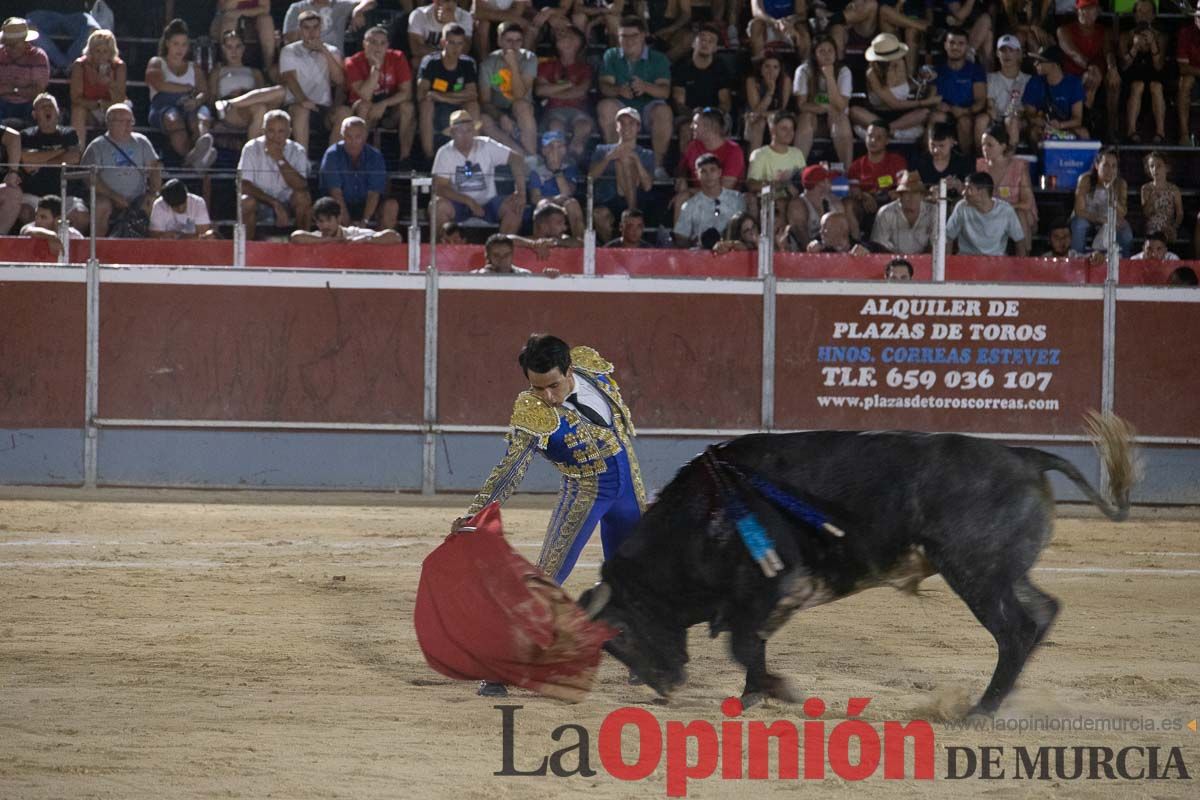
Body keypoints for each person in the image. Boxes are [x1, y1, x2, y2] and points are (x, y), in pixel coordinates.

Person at [457, 333, 645, 697]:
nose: (547, 396)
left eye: (554, 385)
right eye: (537, 387)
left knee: (635, 573)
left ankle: (636, 651)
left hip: (628, 486)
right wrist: (476, 514)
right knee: (548, 576)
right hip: (586, 491)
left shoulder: (591, 366)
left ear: (570, 369)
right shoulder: (531, 410)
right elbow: (511, 468)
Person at [596, 16, 673, 179]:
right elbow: (604, 86)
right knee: (605, 106)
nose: (629, 40)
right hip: (621, 108)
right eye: (624, 36)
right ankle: (616, 160)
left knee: (664, 112)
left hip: (648, 110)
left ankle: (657, 167)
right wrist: (618, 90)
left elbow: (665, 91)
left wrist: (645, 87)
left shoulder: (658, 58)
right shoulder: (611, 55)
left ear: (643, 35)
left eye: (634, 35)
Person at [431, 108, 526, 236]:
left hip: (489, 203)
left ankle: (501, 248)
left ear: (474, 131)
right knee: (437, 206)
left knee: (515, 208)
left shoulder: (486, 145)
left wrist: (521, 192)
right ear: (452, 133)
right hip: (459, 203)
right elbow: (439, 187)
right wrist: (468, 201)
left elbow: (517, 159)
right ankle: (441, 251)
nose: (465, 135)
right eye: (460, 131)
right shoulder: (445, 152)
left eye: (469, 130)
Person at [80, 103, 162, 238]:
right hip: (107, 197)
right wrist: (114, 196)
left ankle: (152, 248)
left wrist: (155, 191)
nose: (129, 125)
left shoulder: (142, 141)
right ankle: (97, 247)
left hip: (137, 197)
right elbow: (90, 178)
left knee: (154, 204)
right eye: (124, 121)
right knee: (101, 205)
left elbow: (154, 168)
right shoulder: (97, 146)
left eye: (131, 121)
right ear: (110, 123)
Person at [278, 10, 352, 153]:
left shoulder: (332, 51)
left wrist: (323, 50)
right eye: (306, 28)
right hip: (296, 104)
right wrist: (303, 100)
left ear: (321, 28)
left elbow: (339, 80)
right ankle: (302, 160)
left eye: (315, 27)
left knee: (345, 112)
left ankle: (330, 161)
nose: (311, 32)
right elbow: (289, 78)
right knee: (303, 110)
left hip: (323, 107)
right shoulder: (289, 50)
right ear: (300, 29)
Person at [145, 19, 215, 170]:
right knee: (173, 119)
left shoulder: (193, 67)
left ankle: (200, 151)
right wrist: (187, 88)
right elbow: (159, 84)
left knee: (200, 117)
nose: (180, 49)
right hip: (163, 107)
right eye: (176, 44)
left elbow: (204, 92)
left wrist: (196, 101)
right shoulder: (156, 62)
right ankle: (190, 158)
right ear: (167, 43)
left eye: (184, 44)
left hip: (189, 105)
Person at [237, 109, 313, 240]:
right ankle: (246, 249)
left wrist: (280, 159)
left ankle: (303, 245)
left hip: (288, 203)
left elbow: (301, 185)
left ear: (289, 132)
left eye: (281, 131)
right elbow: (243, 185)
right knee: (246, 201)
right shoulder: (251, 148)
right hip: (261, 201)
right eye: (271, 131)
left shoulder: (297, 150)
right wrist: (274, 203)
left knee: (303, 198)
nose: (275, 136)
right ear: (263, 131)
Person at [345, 26, 416, 165]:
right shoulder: (352, 62)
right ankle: (358, 158)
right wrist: (376, 68)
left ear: (388, 45)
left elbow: (406, 93)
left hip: (389, 108)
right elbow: (365, 95)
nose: (378, 47)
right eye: (373, 42)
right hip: (364, 111)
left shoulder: (397, 57)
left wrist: (384, 104)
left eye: (383, 43)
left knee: (407, 107)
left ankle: (405, 159)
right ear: (364, 43)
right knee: (364, 105)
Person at [18, 93, 87, 234]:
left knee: (81, 216)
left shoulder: (69, 134)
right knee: (25, 213)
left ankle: (70, 252)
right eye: (42, 107)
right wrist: (61, 152)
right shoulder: (26, 135)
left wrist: (40, 159)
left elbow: (74, 157)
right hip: (34, 196)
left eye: (50, 106)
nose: (47, 109)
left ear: (58, 112)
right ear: (34, 114)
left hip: (65, 195)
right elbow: (27, 161)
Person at [852, 32, 939, 144]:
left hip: (902, 116)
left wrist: (921, 80)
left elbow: (906, 88)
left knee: (925, 113)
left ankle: (883, 131)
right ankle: (891, 131)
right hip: (877, 114)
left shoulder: (901, 64)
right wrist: (924, 102)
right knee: (854, 111)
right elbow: (894, 103)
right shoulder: (872, 73)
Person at [318, 116, 399, 232]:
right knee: (328, 209)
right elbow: (335, 193)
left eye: (358, 137)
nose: (353, 142)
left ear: (365, 137)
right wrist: (349, 225)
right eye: (349, 137)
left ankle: (382, 247)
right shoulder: (332, 155)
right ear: (342, 136)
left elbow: (374, 193)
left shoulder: (374, 156)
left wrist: (364, 222)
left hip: (367, 204)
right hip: (339, 204)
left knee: (391, 206)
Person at [1056, 0, 1118, 139]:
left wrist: (1112, 68)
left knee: (1115, 81)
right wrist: (1091, 66)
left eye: (1090, 9)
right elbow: (1073, 53)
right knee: (1091, 76)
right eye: (1083, 9)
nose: (1086, 12)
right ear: (1077, 10)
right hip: (1073, 75)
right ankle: (1084, 122)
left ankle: (1112, 128)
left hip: (1099, 72)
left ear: (1097, 11)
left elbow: (1109, 52)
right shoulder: (1064, 30)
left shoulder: (1104, 31)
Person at [417, 23, 479, 160]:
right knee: (426, 105)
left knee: (473, 105)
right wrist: (454, 97)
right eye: (451, 43)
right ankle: (429, 156)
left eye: (459, 43)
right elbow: (422, 95)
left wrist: (441, 97)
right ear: (442, 42)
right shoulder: (430, 62)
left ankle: (473, 156)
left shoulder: (467, 64)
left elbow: (472, 94)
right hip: (435, 109)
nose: (456, 48)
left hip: (457, 108)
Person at [672, 106, 745, 222]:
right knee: (682, 199)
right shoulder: (693, 146)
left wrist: (690, 191)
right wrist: (682, 179)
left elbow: (725, 188)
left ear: (709, 127)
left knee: (687, 197)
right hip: (699, 194)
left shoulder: (733, 150)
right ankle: (680, 240)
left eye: (695, 124)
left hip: (725, 199)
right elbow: (681, 168)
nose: (691, 127)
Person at [478, 21, 539, 155]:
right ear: (500, 41)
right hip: (498, 109)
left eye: (518, 41)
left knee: (521, 105)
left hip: (522, 108)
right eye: (509, 40)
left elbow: (520, 95)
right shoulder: (488, 64)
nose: (514, 45)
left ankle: (532, 154)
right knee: (482, 119)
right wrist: (501, 116)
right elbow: (486, 101)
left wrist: (513, 66)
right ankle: (522, 156)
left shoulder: (529, 58)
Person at [671, 23, 735, 149]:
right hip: (688, 116)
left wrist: (709, 118)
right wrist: (697, 117)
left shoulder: (721, 69)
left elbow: (725, 102)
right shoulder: (682, 68)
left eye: (711, 41)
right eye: (702, 39)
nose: (705, 43)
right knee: (686, 129)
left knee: (718, 127)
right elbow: (679, 103)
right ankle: (687, 167)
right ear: (693, 43)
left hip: (715, 115)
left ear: (716, 48)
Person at [535, 24, 593, 163]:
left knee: (584, 125)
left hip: (578, 110)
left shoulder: (585, 68)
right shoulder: (546, 65)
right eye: (562, 37)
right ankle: (557, 159)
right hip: (553, 110)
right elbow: (539, 90)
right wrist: (568, 85)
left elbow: (580, 91)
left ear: (578, 43)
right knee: (555, 125)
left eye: (570, 37)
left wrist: (553, 91)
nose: (566, 40)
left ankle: (574, 151)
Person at [587, 105, 654, 227]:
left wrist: (637, 161)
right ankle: (630, 216)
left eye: (631, 123)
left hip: (638, 200)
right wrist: (608, 158)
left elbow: (648, 186)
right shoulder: (602, 150)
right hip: (607, 199)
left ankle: (632, 212)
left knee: (626, 159)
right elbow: (591, 177)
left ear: (638, 127)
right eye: (622, 123)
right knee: (599, 215)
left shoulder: (646, 154)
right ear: (617, 127)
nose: (626, 127)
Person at [793, 36, 853, 168]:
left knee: (840, 117)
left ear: (836, 53)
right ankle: (797, 170)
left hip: (835, 119)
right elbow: (802, 104)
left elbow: (841, 105)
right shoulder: (803, 70)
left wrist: (830, 77)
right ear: (814, 54)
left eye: (830, 51)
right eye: (822, 51)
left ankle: (848, 171)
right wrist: (824, 107)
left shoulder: (843, 71)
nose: (826, 55)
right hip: (813, 116)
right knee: (806, 118)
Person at [210, 29, 279, 140]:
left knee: (264, 105)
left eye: (238, 46)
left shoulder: (255, 72)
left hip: (252, 107)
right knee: (260, 109)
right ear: (223, 49)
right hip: (229, 111)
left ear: (243, 48)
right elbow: (212, 97)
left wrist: (244, 94)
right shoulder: (218, 72)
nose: (234, 51)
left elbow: (261, 94)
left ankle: (253, 149)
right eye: (229, 47)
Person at [977, 122, 1035, 244]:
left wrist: (1002, 209)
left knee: (1020, 215)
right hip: (988, 213)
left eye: (989, 145)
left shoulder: (1018, 166)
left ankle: (1024, 257)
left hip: (1014, 212)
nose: (985, 149)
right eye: (983, 145)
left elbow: (1027, 203)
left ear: (1003, 146)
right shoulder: (980, 166)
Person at [944, 171, 1027, 256]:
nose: (963, 192)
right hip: (967, 260)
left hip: (996, 262)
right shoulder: (961, 207)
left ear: (982, 192)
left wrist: (1020, 267)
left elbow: (1019, 241)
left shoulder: (1006, 210)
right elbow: (948, 237)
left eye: (969, 189)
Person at [933, 27, 986, 159]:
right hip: (945, 113)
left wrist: (965, 111)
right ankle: (929, 159)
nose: (955, 47)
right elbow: (931, 97)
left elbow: (980, 100)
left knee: (964, 122)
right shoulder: (937, 70)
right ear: (945, 45)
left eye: (960, 43)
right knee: (934, 117)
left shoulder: (975, 70)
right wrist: (938, 105)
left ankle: (967, 162)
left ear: (967, 46)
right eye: (952, 43)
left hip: (968, 113)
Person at [1118, 0, 1166, 144]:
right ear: (1134, 15)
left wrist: (1152, 45)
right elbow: (1123, 66)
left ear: (1153, 16)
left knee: (1156, 86)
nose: (1144, 16)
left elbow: (1159, 66)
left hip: (1154, 77)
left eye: (1147, 12)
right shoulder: (1125, 36)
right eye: (1140, 12)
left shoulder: (1161, 37)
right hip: (1133, 77)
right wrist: (1134, 48)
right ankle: (1131, 130)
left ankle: (1161, 131)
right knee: (1137, 85)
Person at [745, 111, 806, 225]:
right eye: (784, 129)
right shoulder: (759, 154)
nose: (789, 133)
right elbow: (751, 184)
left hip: (794, 201)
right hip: (769, 203)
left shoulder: (797, 153)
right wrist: (781, 184)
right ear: (772, 130)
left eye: (791, 129)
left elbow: (804, 181)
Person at [780, 162, 856, 251]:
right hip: (807, 255)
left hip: (833, 252)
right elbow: (803, 240)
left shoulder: (833, 202)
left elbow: (845, 235)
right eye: (828, 180)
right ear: (821, 183)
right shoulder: (798, 205)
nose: (831, 182)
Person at [674, 152, 745, 248]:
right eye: (703, 171)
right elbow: (681, 237)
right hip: (701, 255)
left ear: (719, 172)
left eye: (712, 170)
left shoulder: (737, 199)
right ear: (697, 175)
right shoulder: (690, 205)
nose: (709, 175)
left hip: (733, 252)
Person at [1069, 147, 1131, 257]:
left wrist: (1112, 196)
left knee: (1126, 232)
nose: (1110, 170)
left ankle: (1124, 263)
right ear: (1097, 165)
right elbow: (1079, 210)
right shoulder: (1085, 180)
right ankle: (1076, 260)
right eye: (1106, 165)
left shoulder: (1120, 184)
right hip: (1087, 217)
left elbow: (1122, 213)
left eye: (1113, 166)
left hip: (1109, 218)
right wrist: (1099, 219)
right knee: (1079, 225)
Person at [68, 28, 126, 145]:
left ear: (111, 52)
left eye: (105, 51)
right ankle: (77, 155)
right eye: (97, 51)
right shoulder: (80, 65)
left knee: (122, 112)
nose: (101, 55)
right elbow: (76, 98)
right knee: (78, 111)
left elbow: (120, 99)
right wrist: (97, 105)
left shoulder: (119, 66)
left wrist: (109, 83)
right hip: (89, 108)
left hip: (110, 108)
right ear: (90, 51)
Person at [1021, 44, 1088, 145]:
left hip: (1065, 127)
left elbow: (1077, 119)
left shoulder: (1073, 83)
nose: (1035, 64)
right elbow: (1029, 113)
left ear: (1055, 64)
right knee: (1033, 132)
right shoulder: (1034, 82)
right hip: (1043, 128)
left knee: (1083, 133)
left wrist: (1060, 125)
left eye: (1040, 61)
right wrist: (1037, 120)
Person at [846, 122, 907, 231]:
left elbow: (903, 186)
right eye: (870, 136)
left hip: (890, 203)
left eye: (879, 137)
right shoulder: (856, 166)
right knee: (849, 205)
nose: (873, 141)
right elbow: (853, 190)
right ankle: (856, 241)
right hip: (865, 205)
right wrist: (864, 196)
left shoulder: (897, 161)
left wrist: (891, 195)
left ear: (887, 141)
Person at [527, 130, 583, 238]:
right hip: (547, 204)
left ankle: (580, 243)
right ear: (544, 151)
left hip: (564, 205)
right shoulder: (536, 171)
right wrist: (554, 199)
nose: (555, 151)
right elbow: (535, 198)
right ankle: (540, 243)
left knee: (573, 204)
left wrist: (557, 170)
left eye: (559, 146)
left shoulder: (570, 168)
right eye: (550, 146)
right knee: (542, 204)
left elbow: (568, 193)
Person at [979, 34, 1031, 148]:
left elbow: (1029, 109)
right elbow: (990, 104)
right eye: (1003, 50)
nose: (1007, 54)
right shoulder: (991, 78)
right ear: (998, 54)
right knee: (981, 120)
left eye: (1011, 50)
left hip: (1018, 119)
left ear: (1018, 53)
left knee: (1011, 121)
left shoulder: (1028, 80)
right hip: (997, 118)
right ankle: (980, 158)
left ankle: (1010, 155)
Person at [25, 3, 100, 76]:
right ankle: (64, 64)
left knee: (94, 30)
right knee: (26, 28)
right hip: (42, 13)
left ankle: (62, 64)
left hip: (76, 13)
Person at [0, 18, 51, 125]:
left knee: (41, 105)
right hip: (2, 103)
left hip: (29, 104)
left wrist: (13, 89)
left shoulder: (38, 57)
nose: (8, 48)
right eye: (6, 44)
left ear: (25, 42)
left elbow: (38, 91)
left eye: (13, 45)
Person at [870, 170, 934, 254]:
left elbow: (936, 244)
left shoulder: (933, 211)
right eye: (907, 193)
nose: (911, 198)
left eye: (915, 193)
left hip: (925, 262)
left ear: (922, 196)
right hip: (892, 261)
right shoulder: (885, 213)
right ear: (900, 196)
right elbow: (879, 246)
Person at [290, 195, 403, 243]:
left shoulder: (353, 233)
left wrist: (365, 240)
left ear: (339, 218)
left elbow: (395, 237)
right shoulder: (316, 237)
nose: (324, 226)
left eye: (329, 220)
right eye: (320, 221)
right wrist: (327, 241)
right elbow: (295, 236)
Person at [283, 0, 376, 55]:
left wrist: (357, 10)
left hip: (334, 57)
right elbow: (288, 38)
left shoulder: (341, 4)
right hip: (305, 56)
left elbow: (371, 2)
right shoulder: (297, 7)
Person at [211, 0, 278, 74]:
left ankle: (268, 67)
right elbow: (226, 7)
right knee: (230, 19)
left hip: (251, 18)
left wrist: (241, 12)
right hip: (224, 19)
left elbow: (265, 8)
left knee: (266, 20)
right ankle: (225, 64)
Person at [743, 53, 792, 152]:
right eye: (767, 66)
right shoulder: (752, 81)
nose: (771, 71)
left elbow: (781, 111)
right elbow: (756, 110)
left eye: (775, 67)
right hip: (753, 120)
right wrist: (770, 92)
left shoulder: (785, 81)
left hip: (774, 118)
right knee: (759, 123)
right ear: (760, 69)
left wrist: (763, 114)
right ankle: (754, 164)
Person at [911, 121, 970, 198]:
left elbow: (972, 193)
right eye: (932, 145)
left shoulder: (963, 162)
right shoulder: (920, 162)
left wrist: (958, 186)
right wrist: (930, 193)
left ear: (952, 142)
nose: (936, 150)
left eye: (941, 146)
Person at [409, 0, 475, 63]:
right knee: (415, 62)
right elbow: (416, 49)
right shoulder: (419, 14)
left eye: (455, 0)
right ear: (435, 1)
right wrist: (448, 54)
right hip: (430, 63)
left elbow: (464, 50)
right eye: (447, 0)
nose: (451, 4)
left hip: (454, 65)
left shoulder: (465, 17)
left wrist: (452, 23)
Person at [1139, 152, 1182, 244]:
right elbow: (1146, 213)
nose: (1155, 169)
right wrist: (1151, 199)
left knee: (1168, 235)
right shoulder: (1146, 188)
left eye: (1159, 166)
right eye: (1152, 166)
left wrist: (1174, 226)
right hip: (1152, 225)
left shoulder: (1174, 189)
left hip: (1168, 225)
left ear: (1167, 168)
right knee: (1154, 235)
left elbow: (1180, 213)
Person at [149, 178, 213, 238]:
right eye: (175, 206)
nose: (180, 209)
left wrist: (179, 237)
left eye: (183, 204)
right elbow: (155, 235)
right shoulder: (159, 205)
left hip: (194, 246)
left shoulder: (198, 202)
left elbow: (203, 234)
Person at [1175, 4, 1200, 147]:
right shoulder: (1186, 33)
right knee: (1185, 82)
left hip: (1194, 70)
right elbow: (1183, 68)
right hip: (1191, 74)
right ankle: (1184, 134)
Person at [805, 210, 883, 255]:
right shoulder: (820, 251)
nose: (821, 232)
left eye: (825, 227)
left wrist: (868, 255)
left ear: (841, 229)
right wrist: (811, 256)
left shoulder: (870, 247)